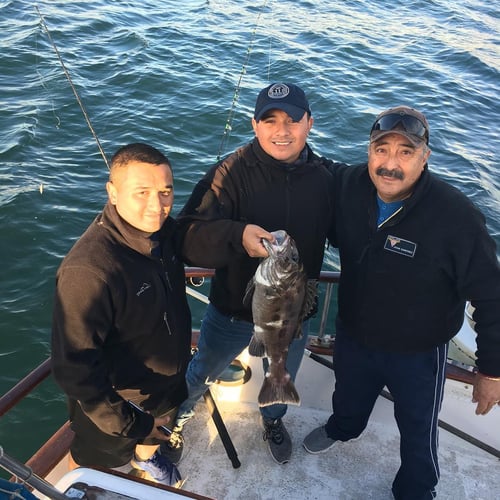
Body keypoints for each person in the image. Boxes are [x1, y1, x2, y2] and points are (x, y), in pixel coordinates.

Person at [302, 106, 500, 499]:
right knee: (347, 398)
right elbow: (303, 161)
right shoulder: (348, 184)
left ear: (425, 157)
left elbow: (492, 297)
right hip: (355, 335)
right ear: (369, 151)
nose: (390, 164)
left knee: (418, 430)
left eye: (405, 152)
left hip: (419, 352)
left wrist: (491, 372)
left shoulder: (457, 216)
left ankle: (416, 489)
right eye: (381, 150)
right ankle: (343, 429)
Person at [174, 82, 336, 464]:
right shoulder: (227, 173)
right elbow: (185, 236)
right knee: (202, 371)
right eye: (270, 120)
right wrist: (236, 236)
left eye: (293, 120)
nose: (282, 130)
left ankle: (273, 419)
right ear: (255, 125)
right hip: (231, 309)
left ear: (309, 123)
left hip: (294, 314)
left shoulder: (329, 178)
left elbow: (362, 227)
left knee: (282, 376)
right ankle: (174, 418)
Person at [51, 143, 192, 486]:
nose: (156, 206)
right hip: (120, 403)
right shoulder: (88, 271)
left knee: (154, 435)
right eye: (141, 192)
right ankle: (83, 489)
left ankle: (147, 456)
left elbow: (199, 236)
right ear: (112, 193)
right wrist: (127, 420)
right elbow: (74, 370)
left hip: (166, 384)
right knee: (94, 462)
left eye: (165, 191)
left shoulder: (163, 232)